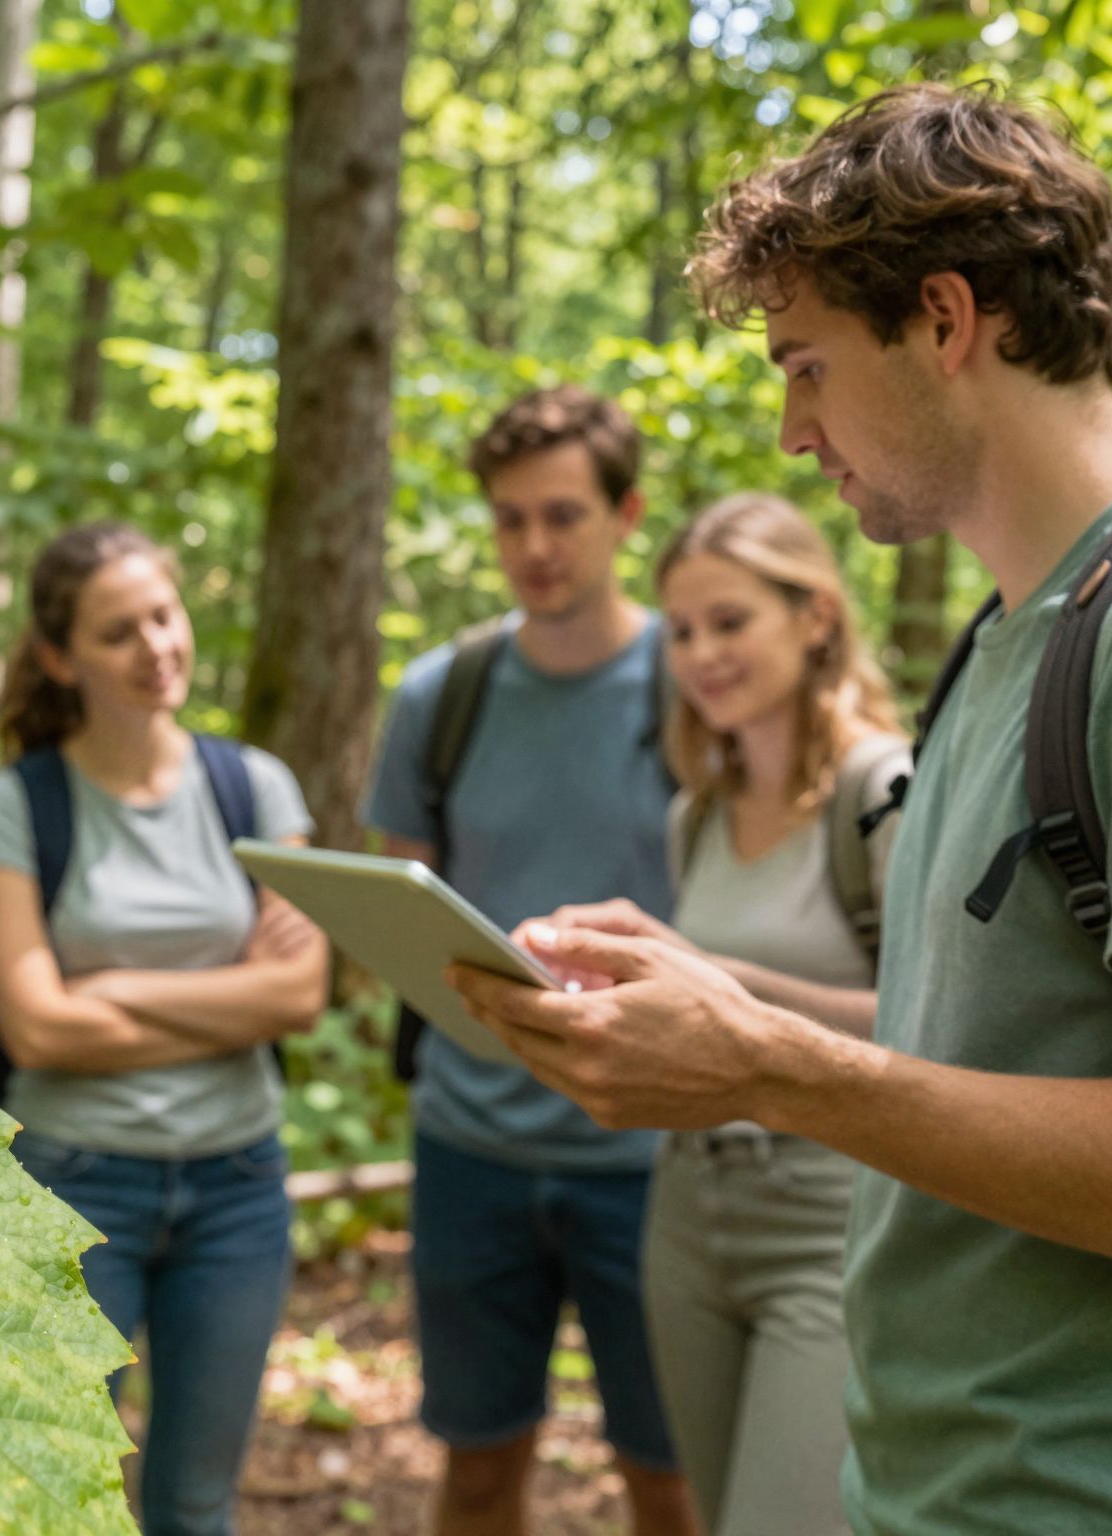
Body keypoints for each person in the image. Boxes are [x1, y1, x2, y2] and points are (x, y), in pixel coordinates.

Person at [450, 84, 1112, 1535]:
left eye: (809, 367)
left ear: (945, 321)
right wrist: (723, 1000)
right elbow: (971, 1057)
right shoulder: (1017, 633)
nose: (788, 429)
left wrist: (765, 1065)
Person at [515, 493, 908, 1535]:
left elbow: (936, 1022)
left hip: (830, 1221)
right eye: (682, 631)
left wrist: (708, 975)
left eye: (729, 622)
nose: (699, 654)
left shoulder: (882, 788)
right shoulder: (696, 816)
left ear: (814, 616)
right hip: (685, 1215)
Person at [361, 386, 696, 1534]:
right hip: (472, 1147)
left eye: (562, 515)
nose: (535, 547)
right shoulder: (438, 697)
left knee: (670, 1475)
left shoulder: (695, 687)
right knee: (476, 1466)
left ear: (625, 514)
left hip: (650, 1157)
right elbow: (402, 912)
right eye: (510, 520)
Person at [0, 521, 327, 1536]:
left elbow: (298, 995)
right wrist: (225, 999)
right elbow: (34, 1029)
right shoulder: (14, 806)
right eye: (118, 632)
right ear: (57, 656)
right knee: (50, 1492)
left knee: (196, 1503)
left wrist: (110, 990)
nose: (155, 646)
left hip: (237, 1190)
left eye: (163, 616)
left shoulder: (255, 788)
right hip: (75, 1186)